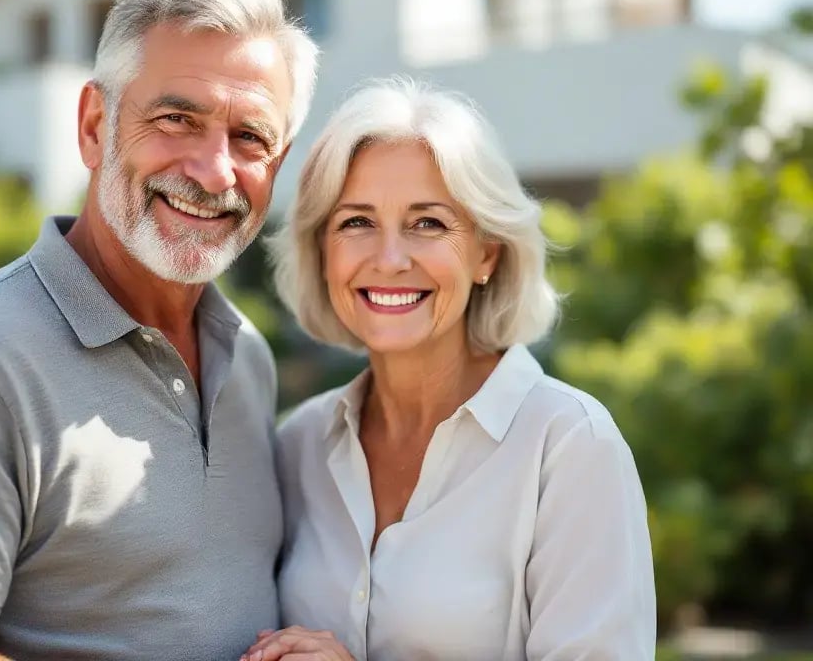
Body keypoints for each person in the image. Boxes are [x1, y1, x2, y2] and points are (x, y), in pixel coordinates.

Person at [0, 0, 318, 661]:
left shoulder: (246, 353)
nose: (214, 170)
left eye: (250, 137)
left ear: (276, 167)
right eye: (176, 119)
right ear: (96, 126)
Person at [246, 79, 655, 661]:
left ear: (487, 253)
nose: (389, 259)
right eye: (356, 222)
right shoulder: (298, 445)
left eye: (428, 223)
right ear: (323, 252)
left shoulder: (568, 447)